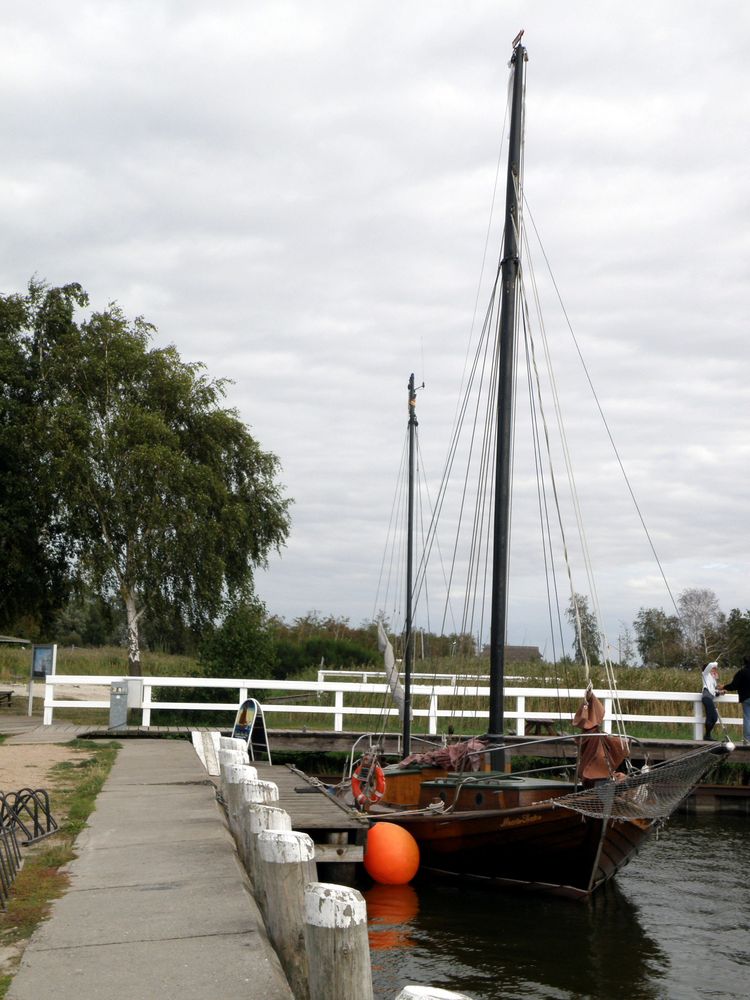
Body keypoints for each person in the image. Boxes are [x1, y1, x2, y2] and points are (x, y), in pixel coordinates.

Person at [724, 655, 750, 744]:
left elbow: (733, 686)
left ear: (744, 662)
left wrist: (723, 687)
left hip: (746, 698)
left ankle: (747, 740)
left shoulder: (742, 672)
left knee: (747, 718)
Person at [701, 661, 725, 741]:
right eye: (714, 669)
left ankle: (707, 735)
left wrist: (720, 692)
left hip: (710, 698)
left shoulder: (713, 680)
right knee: (711, 717)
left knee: (714, 718)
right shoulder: (705, 674)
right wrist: (716, 663)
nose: (715, 670)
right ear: (709, 669)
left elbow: (713, 691)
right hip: (706, 698)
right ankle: (707, 736)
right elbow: (711, 664)